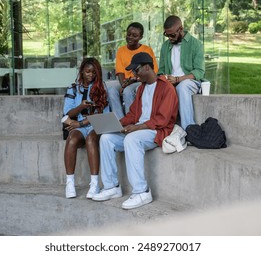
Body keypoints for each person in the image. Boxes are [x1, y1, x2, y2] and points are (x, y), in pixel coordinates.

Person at [92, 52, 178, 210]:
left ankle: (142, 192)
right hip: (140, 130)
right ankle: (112, 187)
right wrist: (115, 124)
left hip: (156, 131)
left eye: (136, 70)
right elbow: (132, 114)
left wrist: (136, 128)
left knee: (132, 139)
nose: (134, 74)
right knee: (106, 138)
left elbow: (162, 120)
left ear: (146, 67)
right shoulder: (141, 89)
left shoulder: (166, 88)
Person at [62, 57, 109, 199]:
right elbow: (68, 113)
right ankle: (70, 183)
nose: (91, 75)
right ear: (82, 71)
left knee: (91, 139)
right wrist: (81, 107)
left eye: (94, 73)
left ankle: (94, 184)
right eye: (88, 72)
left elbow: (103, 115)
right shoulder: (73, 89)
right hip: (80, 126)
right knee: (71, 139)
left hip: (96, 125)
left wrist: (80, 123)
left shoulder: (101, 88)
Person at [158, 15, 205, 130]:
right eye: (167, 35)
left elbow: (199, 72)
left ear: (181, 29)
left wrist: (178, 79)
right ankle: (159, 129)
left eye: (172, 35)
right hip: (170, 81)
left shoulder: (196, 44)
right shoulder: (165, 46)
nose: (169, 38)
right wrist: (163, 78)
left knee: (182, 87)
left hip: (190, 82)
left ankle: (188, 129)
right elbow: (161, 70)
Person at [107, 22, 158, 119]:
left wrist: (132, 81)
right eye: (128, 34)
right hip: (126, 81)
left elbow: (152, 73)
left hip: (141, 80)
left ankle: (131, 120)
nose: (130, 37)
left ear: (141, 37)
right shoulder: (121, 50)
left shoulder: (147, 50)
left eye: (135, 36)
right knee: (111, 90)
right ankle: (120, 120)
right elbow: (120, 72)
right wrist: (123, 85)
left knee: (128, 91)